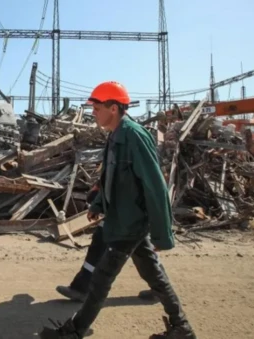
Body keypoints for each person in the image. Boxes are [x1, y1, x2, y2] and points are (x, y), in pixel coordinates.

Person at [39, 81, 197, 339]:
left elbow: (155, 185)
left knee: (101, 278)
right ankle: (182, 329)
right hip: (122, 218)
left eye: (97, 107)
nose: (93, 112)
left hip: (131, 221)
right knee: (152, 273)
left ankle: (74, 331)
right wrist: (99, 204)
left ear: (114, 108)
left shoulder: (133, 135)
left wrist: (162, 234)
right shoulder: (115, 136)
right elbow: (110, 178)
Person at [55, 181, 157, 303]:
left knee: (100, 246)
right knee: (144, 255)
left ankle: (81, 289)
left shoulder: (132, 163)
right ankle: (161, 290)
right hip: (124, 214)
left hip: (127, 215)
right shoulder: (118, 163)